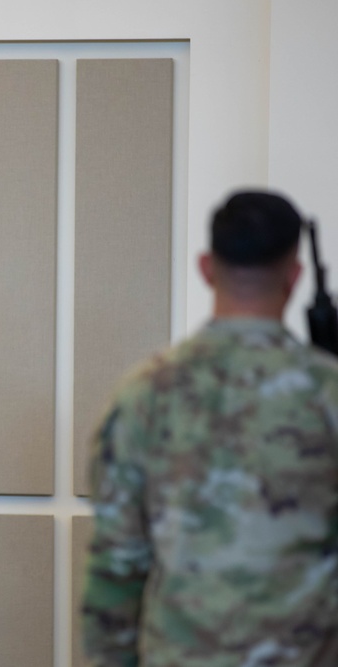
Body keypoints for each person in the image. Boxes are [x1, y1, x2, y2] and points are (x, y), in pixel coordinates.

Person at [81, 191, 338, 666]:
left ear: (205, 268)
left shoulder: (144, 394)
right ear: (295, 276)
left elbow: (117, 564)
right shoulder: (327, 392)